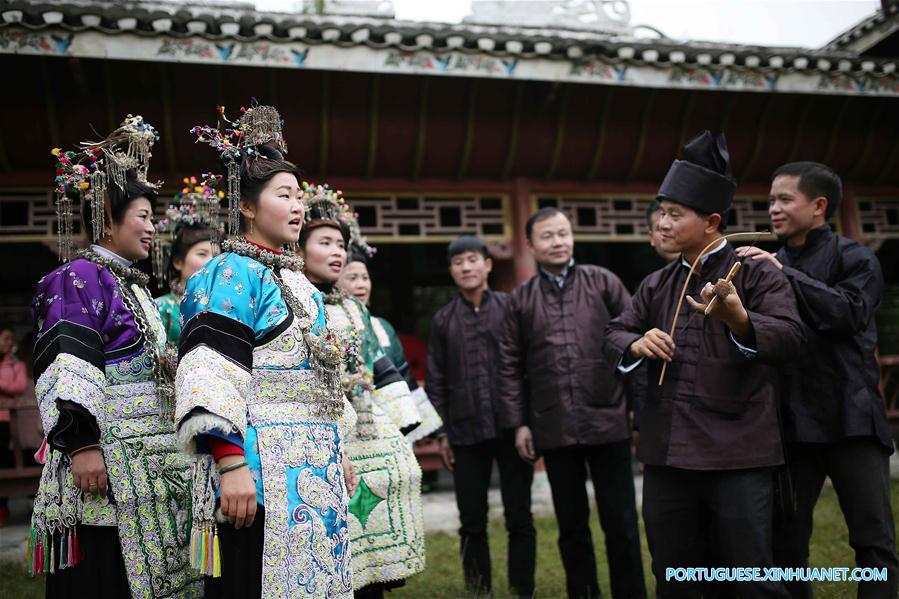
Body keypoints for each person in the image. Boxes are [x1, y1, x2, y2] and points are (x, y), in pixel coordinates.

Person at [604, 131, 804, 598]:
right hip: (668, 451)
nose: (663, 224)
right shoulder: (655, 283)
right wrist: (636, 342)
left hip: (739, 450)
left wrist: (739, 317)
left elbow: (792, 337)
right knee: (674, 573)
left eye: (675, 215)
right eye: (662, 214)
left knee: (748, 573)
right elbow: (613, 332)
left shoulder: (754, 271)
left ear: (712, 221)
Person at [176, 104, 355, 598]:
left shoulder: (300, 282)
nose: (298, 206)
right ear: (248, 207)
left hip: (315, 463)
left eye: (300, 195)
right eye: (284, 195)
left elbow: (322, 378)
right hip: (259, 472)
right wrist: (230, 463)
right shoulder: (229, 273)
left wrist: (337, 444)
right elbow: (209, 373)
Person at [29, 116, 201, 597]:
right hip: (104, 457)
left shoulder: (133, 285)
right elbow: (69, 365)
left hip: (149, 458)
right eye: (143, 215)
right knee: (108, 573)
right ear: (108, 216)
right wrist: (82, 445)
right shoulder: (78, 277)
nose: (152, 228)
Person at [738, 161, 898, 598]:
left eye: (784, 199)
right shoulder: (769, 263)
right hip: (792, 421)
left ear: (818, 206)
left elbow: (848, 313)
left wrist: (783, 273)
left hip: (853, 417)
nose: (773, 208)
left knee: (873, 541)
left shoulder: (856, 257)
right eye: (771, 199)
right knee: (786, 543)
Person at [497, 207, 645, 599]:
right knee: (572, 527)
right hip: (554, 426)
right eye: (547, 236)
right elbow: (509, 366)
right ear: (530, 245)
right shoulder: (521, 299)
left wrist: (637, 410)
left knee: (622, 523)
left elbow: (635, 343)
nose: (558, 242)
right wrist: (520, 423)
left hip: (608, 418)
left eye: (563, 233)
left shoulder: (603, 282)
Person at [299, 183, 426, 599]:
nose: (337, 251)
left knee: (366, 544)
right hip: (310, 430)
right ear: (298, 247)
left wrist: (405, 429)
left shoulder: (354, 308)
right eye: (325, 242)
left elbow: (379, 366)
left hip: (365, 429)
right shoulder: (290, 301)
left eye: (340, 243)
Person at [427, 235, 536, 598]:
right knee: (471, 521)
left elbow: (527, 367)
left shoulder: (511, 307)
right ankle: (479, 591)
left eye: (473, 260)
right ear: (451, 271)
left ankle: (523, 590)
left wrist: (526, 423)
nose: (466, 267)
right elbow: (437, 380)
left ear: (488, 265)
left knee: (519, 517)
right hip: (465, 431)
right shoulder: (443, 320)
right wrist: (442, 434)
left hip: (510, 427)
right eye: (458, 263)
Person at [338, 247, 442, 442]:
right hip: (350, 425)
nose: (361, 285)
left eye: (365, 277)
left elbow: (404, 376)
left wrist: (429, 428)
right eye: (352, 278)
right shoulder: (329, 321)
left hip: (391, 424)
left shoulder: (382, 327)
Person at [153, 174, 222, 344]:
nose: (212, 262)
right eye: (202, 254)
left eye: (217, 256)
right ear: (178, 262)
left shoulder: (225, 306)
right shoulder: (160, 308)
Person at [0, 324, 28, 527]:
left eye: (11, 338)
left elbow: (19, 386)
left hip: (8, 421)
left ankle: (4, 509)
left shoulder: (17, 364)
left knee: (6, 460)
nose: (9, 342)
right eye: (5, 338)